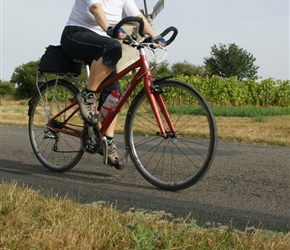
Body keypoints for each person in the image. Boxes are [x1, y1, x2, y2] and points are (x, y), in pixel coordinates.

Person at [60, 0, 162, 169]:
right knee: (113, 46)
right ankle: (87, 97)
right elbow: (95, 8)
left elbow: (138, 18)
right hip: (75, 35)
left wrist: (155, 37)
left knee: (114, 93)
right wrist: (109, 28)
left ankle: (106, 141)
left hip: (103, 43)